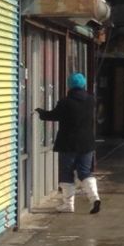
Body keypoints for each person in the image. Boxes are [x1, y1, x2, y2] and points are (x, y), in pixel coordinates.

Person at [36, 72, 100, 214]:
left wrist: (40, 112)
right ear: (83, 85)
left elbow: (53, 116)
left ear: (69, 85)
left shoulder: (65, 102)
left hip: (68, 143)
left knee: (66, 173)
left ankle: (68, 204)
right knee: (85, 172)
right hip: (87, 143)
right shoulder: (91, 100)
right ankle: (94, 198)